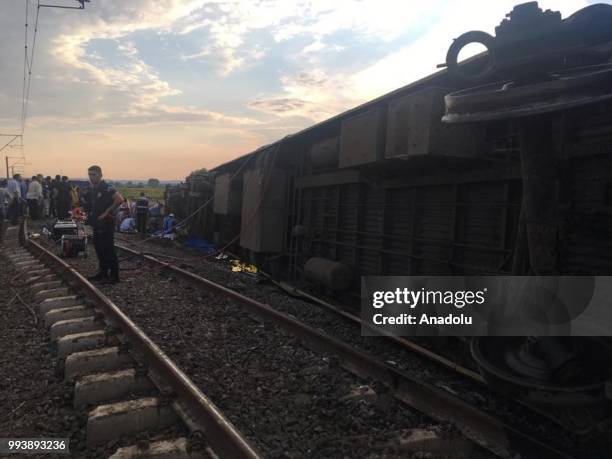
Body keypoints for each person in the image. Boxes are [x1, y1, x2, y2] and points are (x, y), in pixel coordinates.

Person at [82, 165, 124, 284]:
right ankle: (103, 272)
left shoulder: (107, 187)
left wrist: (107, 212)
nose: (91, 177)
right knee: (98, 247)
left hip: (106, 222)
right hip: (96, 222)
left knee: (108, 249)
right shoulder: (92, 189)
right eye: (89, 174)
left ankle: (114, 275)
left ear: (100, 175)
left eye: (94, 174)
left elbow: (119, 199)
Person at [0, 179, 7, 244]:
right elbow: (10, 197)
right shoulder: (4, 190)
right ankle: (1, 240)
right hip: (2, 208)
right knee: (2, 224)